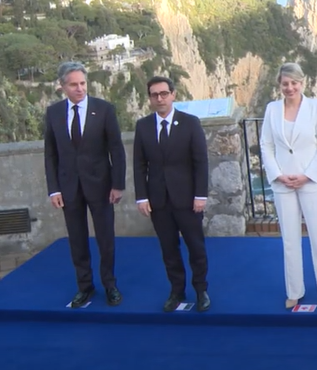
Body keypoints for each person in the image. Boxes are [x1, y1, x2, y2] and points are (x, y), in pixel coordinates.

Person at [43, 61, 126, 308]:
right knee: (77, 240)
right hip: (69, 188)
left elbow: (116, 150)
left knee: (105, 239)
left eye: (82, 83)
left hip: (101, 186)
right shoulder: (54, 113)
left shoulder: (104, 110)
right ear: (62, 87)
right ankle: (85, 287)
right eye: (73, 84)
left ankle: (110, 285)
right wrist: (54, 189)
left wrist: (117, 185)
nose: (79, 88)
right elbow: (50, 154)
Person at [259, 63, 317, 309]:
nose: (290, 87)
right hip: (283, 184)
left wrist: (307, 175)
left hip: (311, 183)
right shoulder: (272, 109)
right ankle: (294, 290)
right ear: (280, 85)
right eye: (285, 83)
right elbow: (266, 146)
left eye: (294, 83)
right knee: (290, 240)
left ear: (302, 83)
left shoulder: (316, 107)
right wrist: (278, 174)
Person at [133, 77, 211, 312]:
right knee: (168, 248)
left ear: (173, 95)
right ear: (149, 99)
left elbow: (201, 162)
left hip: (188, 199)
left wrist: (200, 195)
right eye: (155, 95)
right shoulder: (143, 126)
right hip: (159, 200)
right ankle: (176, 290)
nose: (160, 98)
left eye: (164, 93)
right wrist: (142, 197)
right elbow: (139, 165)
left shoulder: (190, 123)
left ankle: (201, 290)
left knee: (195, 246)